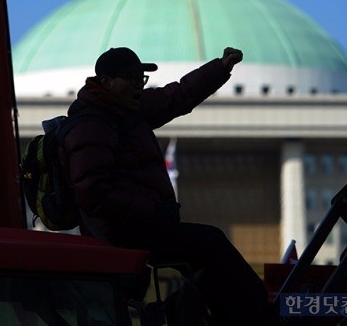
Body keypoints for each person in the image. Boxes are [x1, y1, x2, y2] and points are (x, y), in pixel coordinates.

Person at [59, 46, 278, 325]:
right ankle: (260, 317)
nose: (139, 85)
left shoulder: (129, 110)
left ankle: (207, 314)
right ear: (106, 82)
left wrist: (220, 68)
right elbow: (91, 191)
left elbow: (178, 95)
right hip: (121, 231)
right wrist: (152, 211)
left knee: (207, 260)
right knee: (210, 244)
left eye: (142, 79)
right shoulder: (90, 126)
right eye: (132, 79)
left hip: (140, 225)